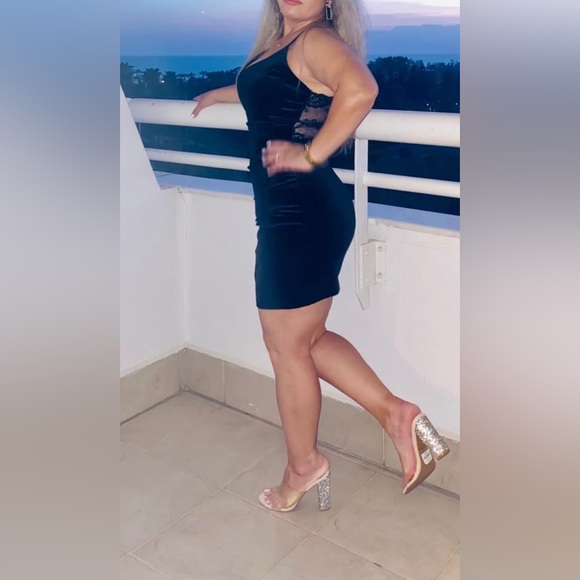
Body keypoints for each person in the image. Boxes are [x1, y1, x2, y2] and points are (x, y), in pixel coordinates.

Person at [192, 0, 449, 512]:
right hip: (294, 212)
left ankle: (303, 467)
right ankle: (398, 415)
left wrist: (309, 154)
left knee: (287, 347)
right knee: (303, 340)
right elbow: (267, 88)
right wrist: (219, 94)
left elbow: (361, 89)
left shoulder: (315, 39)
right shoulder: (284, 43)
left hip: (301, 213)